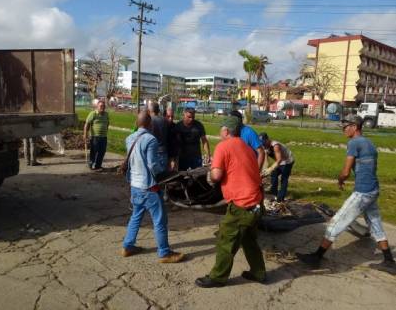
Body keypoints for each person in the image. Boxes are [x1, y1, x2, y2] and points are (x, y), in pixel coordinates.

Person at [296, 115, 396, 274]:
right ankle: (389, 261)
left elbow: (346, 171)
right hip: (373, 190)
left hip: (363, 192)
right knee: (375, 223)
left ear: (355, 127)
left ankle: (316, 257)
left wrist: (340, 179)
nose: (343, 130)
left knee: (336, 223)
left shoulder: (354, 143)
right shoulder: (369, 143)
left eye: (345, 126)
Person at [195, 116, 266, 288]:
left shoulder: (223, 146)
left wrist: (211, 175)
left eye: (221, 129)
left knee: (226, 241)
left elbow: (217, 175)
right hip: (256, 202)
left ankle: (218, 277)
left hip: (242, 204)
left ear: (226, 130)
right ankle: (258, 273)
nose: (220, 132)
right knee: (249, 240)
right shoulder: (247, 148)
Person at [122, 111, 185, 263]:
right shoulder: (151, 139)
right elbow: (152, 165)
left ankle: (127, 246)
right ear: (150, 124)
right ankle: (164, 253)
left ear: (137, 123)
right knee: (160, 220)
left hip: (135, 186)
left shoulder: (129, 138)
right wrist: (165, 174)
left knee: (136, 217)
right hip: (148, 187)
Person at [259, 133, 294, 203]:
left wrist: (271, 168)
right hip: (279, 161)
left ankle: (281, 197)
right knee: (273, 175)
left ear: (267, 139)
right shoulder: (264, 147)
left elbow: (279, 159)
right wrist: (264, 171)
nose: (263, 145)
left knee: (284, 178)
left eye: (264, 142)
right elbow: (266, 161)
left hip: (287, 161)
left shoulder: (275, 146)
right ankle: (273, 192)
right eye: (262, 143)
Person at [83, 100, 109, 171]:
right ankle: (91, 164)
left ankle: (98, 166)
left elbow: (107, 123)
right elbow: (87, 124)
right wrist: (85, 135)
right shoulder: (93, 114)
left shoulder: (106, 114)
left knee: (102, 152)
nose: (102, 108)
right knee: (94, 151)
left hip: (104, 137)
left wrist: (105, 130)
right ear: (97, 106)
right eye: (101, 106)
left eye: (104, 106)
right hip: (95, 137)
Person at [148, 101, 169, 171]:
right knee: (163, 178)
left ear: (150, 110)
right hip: (164, 152)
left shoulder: (150, 121)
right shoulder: (165, 120)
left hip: (153, 152)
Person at [164, 107, 179, 171]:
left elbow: (176, 144)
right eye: (168, 116)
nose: (170, 119)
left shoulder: (175, 127)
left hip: (172, 156)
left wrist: (173, 159)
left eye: (172, 117)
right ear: (164, 116)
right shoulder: (161, 126)